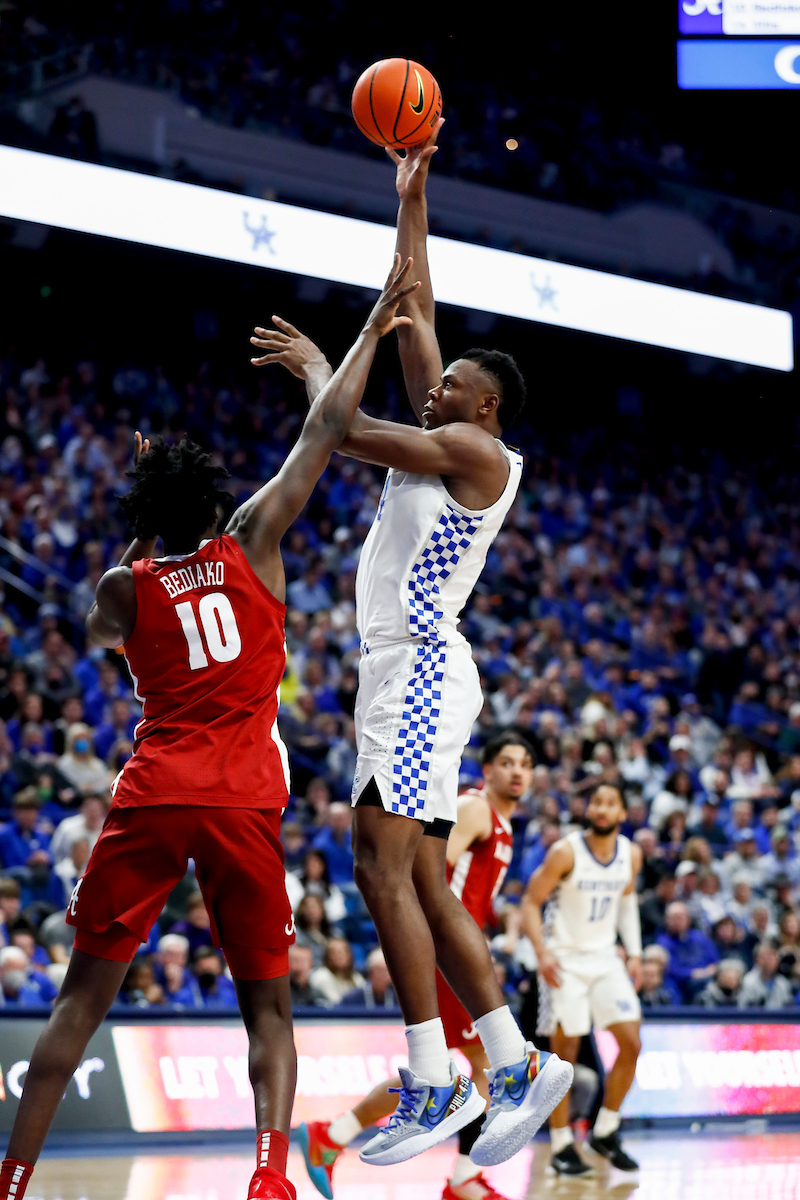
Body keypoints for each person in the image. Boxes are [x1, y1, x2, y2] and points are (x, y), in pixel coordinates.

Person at [0, 256, 421, 1200]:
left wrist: (140, 544)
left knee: (80, 1002)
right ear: (215, 503)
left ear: (145, 517)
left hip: (154, 792)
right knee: (267, 1008)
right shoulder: (257, 541)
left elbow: (100, 631)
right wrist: (327, 358)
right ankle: (270, 1176)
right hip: (241, 799)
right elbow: (323, 433)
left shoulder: (125, 583)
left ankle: (15, 1181)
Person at [253, 119, 570, 1170]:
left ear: (479, 405)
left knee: (376, 861)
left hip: (422, 666)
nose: (427, 386)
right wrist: (409, 196)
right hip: (411, 670)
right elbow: (413, 306)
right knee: (422, 876)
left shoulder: (468, 447)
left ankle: (434, 1079)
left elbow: (338, 431)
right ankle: (512, 1060)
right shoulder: (451, 434)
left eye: (443, 385)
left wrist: (315, 366)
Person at [298, 733, 536, 1200]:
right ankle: (462, 1180)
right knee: (486, 1067)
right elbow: (426, 877)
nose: (517, 772)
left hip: (456, 955)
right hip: (443, 956)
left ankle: (333, 1134)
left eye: (525, 764)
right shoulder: (474, 809)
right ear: (487, 770)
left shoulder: (504, 823)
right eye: (507, 762)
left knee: (455, 1072)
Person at [520, 784, 643, 1176]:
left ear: (622, 813)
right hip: (567, 961)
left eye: (611, 803)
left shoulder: (631, 854)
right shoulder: (566, 851)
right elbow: (529, 901)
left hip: (606, 959)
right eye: (596, 803)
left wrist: (635, 951)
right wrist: (542, 952)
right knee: (564, 1054)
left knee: (631, 1042)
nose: (602, 809)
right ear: (587, 809)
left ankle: (605, 1130)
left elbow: (626, 901)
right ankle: (560, 1143)